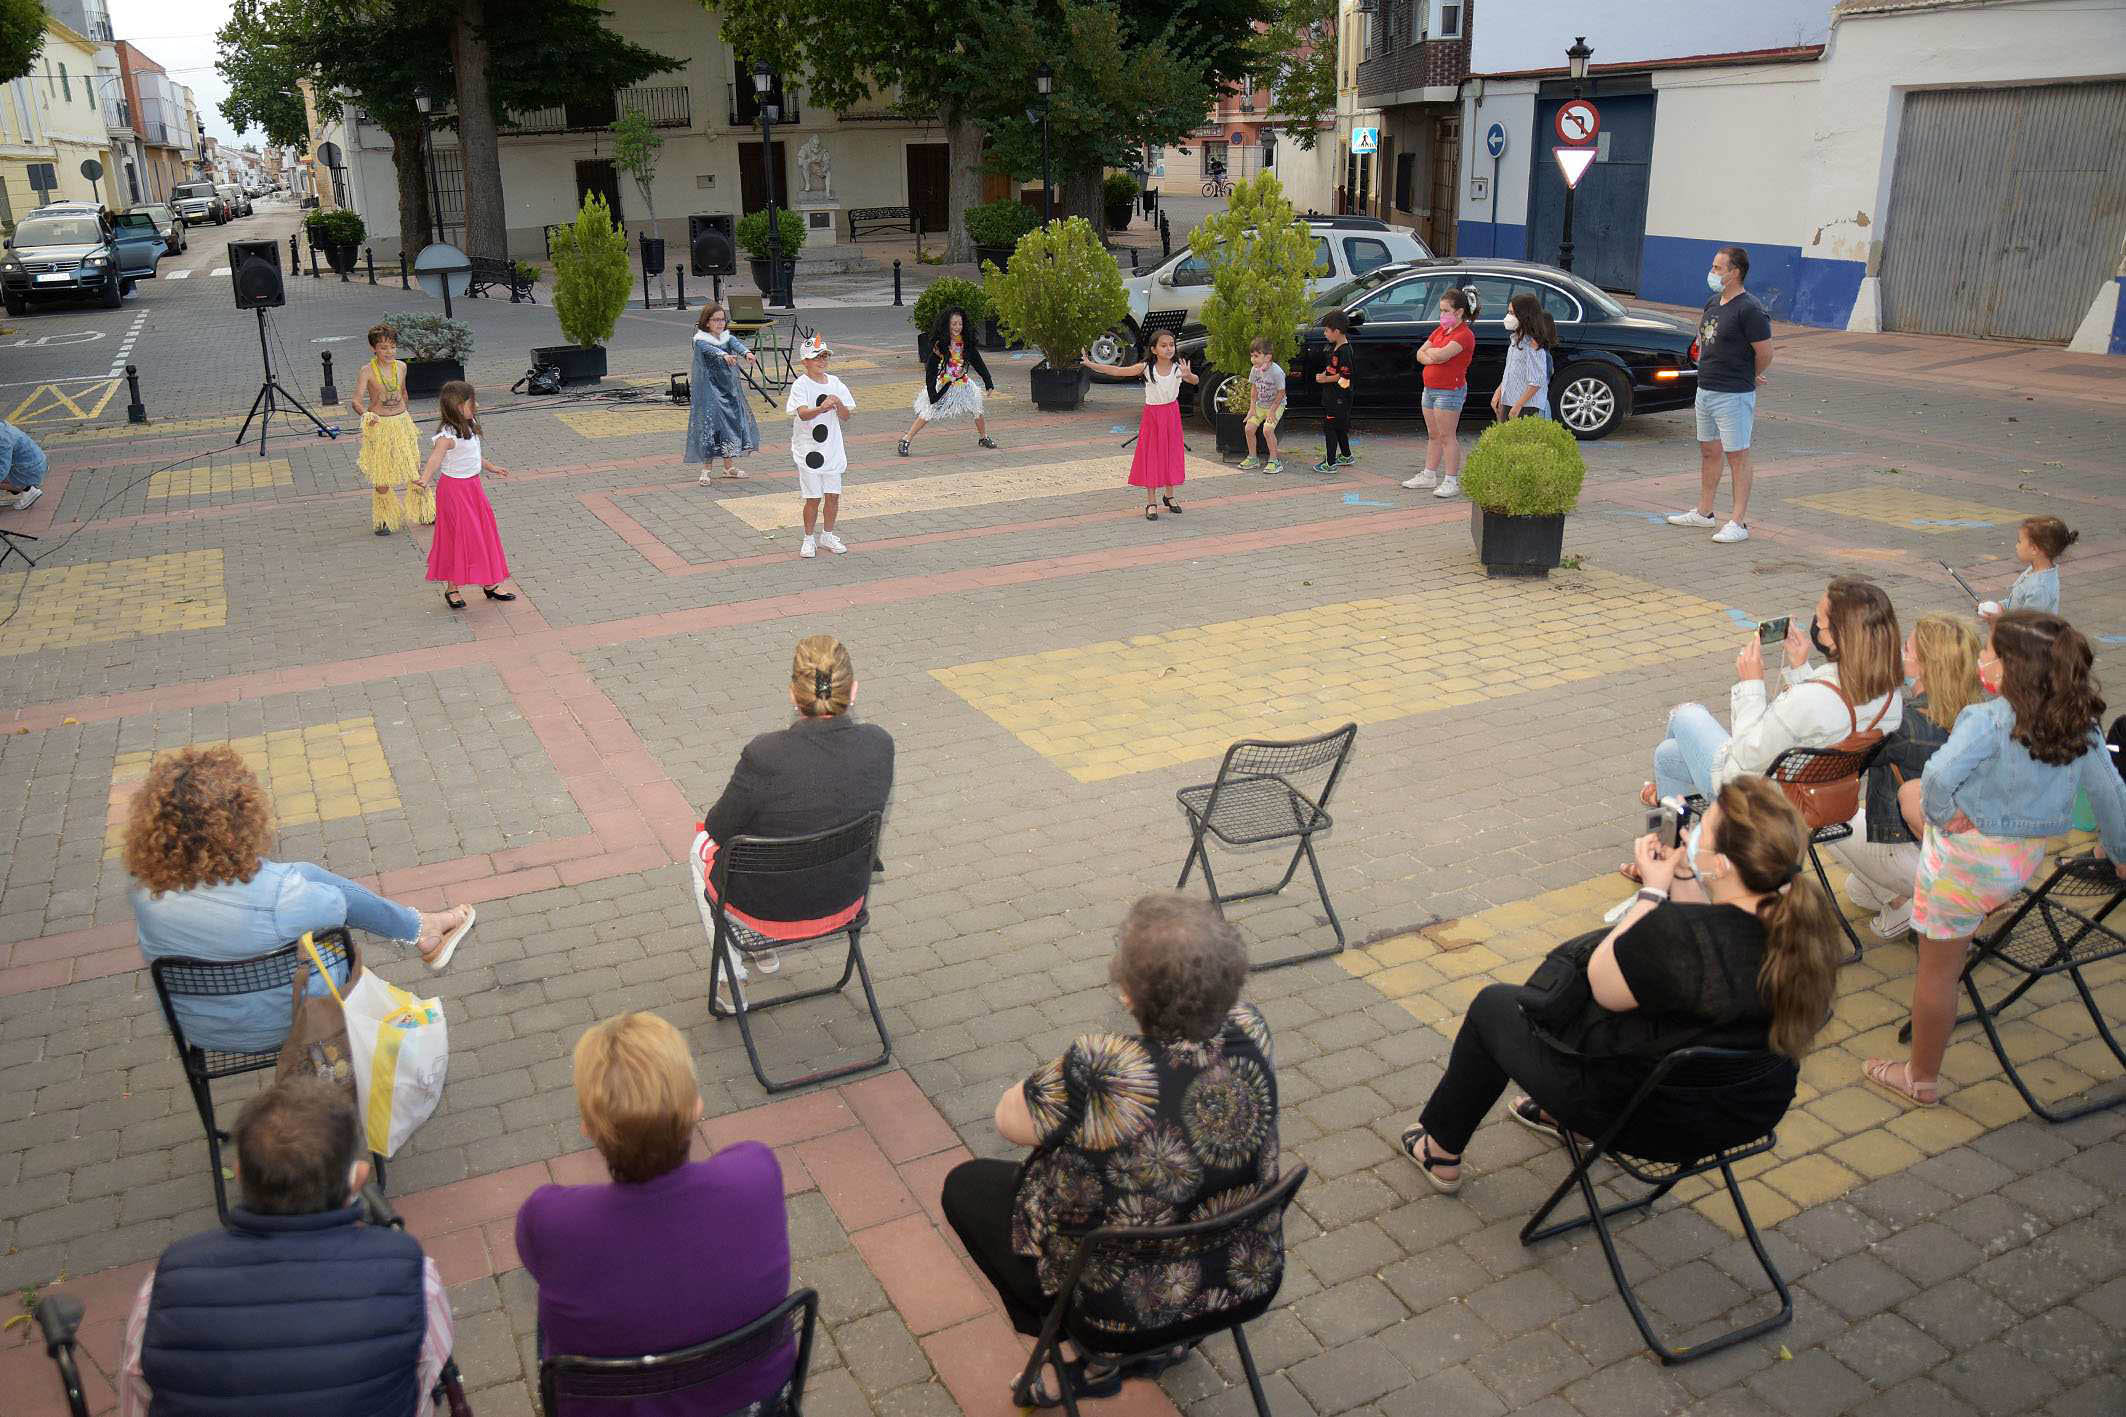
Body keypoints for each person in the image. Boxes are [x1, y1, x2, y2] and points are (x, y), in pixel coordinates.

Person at [1397, 777, 1841, 1192]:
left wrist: (1651, 893)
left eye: (1707, 823)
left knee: (1495, 1005)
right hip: (1743, 1114)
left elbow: (1604, 982)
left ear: (1723, 863)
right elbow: (1706, 943)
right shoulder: (1802, 936)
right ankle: (1559, 1116)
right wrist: (1683, 877)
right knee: (1637, 1013)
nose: (1697, 829)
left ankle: (1440, 1151)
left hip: (1646, 1120)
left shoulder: (1675, 937)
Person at [941, 893, 1280, 1406]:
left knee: (965, 1185)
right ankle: (1172, 1345)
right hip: (1237, 1279)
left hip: (1116, 1308)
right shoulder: (1252, 1030)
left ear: (1128, 996)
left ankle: (1091, 1353)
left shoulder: (1101, 1067)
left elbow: (1008, 1120)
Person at [1865, 611, 2126, 1107]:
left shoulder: (1985, 719)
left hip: (1965, 868)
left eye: (1988, 653)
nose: (1982, 661)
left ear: (2011, 669)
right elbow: (2113, 796)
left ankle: (1919, 1077)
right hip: (2020, 866)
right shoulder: (2080, 724)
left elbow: (1941, 779)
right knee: (1920, 794)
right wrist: (2121, 856)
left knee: (1937, 973)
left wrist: (1942, 815)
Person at [117, 1077, 455, 1417]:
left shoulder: (163, 1292)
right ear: (357, 1177)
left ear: (240, 1173)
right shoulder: (414, 1277)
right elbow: (422, 1391)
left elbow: (138, 1401)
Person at [517, 1013, 794, 1416]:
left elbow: (539, 1264)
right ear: (695, 1106)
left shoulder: (550, 1220)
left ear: (589, 1129)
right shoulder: (756, 1173)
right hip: (751, 1401)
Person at [126, 745, 474, 1054]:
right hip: (295, 1021)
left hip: (199, 1025)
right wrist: (280, 880)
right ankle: (420, 928)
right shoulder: (282, 896)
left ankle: (420, 927)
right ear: (237, 827)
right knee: (330, 928)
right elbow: (337, 906)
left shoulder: (143, 895)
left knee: (301, 873)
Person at [691, 635, 894, 991]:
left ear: (792, 694)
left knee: (699, 847)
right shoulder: (879, 744)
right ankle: (757, 949)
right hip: (843, 899)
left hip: (767, 907)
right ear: (854, 690)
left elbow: (717, 828)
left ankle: (730, 977)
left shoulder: (765, 754)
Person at [1644, 575, 1902, 806]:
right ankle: (1674, 839)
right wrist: (1800, 666)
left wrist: (1751, 685)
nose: (1814, 624)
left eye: (1819, 620)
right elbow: (1832, 712)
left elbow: (1744, 755)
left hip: (1756, 797)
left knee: (1687, 714)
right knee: (1667, 756)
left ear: (1835, 637)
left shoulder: (1807, 699)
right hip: (1816, 789)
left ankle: (1694, 836)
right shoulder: (1892, 697)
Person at [1827, 614, 1983, 939]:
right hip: (1967, 857)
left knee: (1824, 817)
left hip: (1920, 855)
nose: (1900, 652)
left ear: (1926, 666)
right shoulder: (1979, 714)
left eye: (1907, 649)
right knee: (1858, 891)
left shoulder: (1905, 724)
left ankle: (1911, 905)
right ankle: (1904, 897)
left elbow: (1837, 760)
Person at [1666, 245, 1773, 544]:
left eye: (1717, 268)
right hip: (1706, 388)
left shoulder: (1749, 309)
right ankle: (1704, 512)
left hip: (1733, 393)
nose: (1712, 273)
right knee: (1709, 451)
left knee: (1737, 455)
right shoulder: (1714, 302)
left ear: (1734, 272)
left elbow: (1765, 352)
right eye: (1713, 267)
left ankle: (1738, 521)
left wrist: (1749, 374)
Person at [1081, 327, 1196, 520]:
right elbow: (1118, 370)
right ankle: (1151, 502)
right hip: (1153, 416)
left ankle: (1169, 495)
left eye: (1171, 345)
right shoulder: (1146, 368)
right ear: (1153, 349)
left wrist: (1188, 375)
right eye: (1163, 345)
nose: (1169, 349)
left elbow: (1194, 380)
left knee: (1171, 454)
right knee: (1152, 456)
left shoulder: (1178, 368)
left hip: (1171, 415)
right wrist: (1091, 364)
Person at [422, 380, 515, 610]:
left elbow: (474, 456)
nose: (477, 405)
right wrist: (424, 479)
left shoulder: (469, 425)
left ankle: (490, 583)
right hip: (454, 492)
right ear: (457, 405)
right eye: (471, 401)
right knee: (459, 537)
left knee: (482, 534)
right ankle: (452, 588)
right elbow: (435, 458)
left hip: (473, 488)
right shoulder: (447, 435)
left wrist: (491, 467)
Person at [352, 323, 435, 536]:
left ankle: (424, 511)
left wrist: (404, 414)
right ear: (374, 349)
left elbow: (403, 392)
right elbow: (356, 401)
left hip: (401, 424)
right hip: (380, 426)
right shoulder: (367, 371)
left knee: (413, 467)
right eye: (383, 348)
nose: (388, 352)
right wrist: (366, 415)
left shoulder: (402, 367)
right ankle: (384, 518)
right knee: (382, 472)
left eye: (392, 347)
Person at [785, 334, 856, 558]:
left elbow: (846, 416)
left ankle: (827, 535)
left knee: (833, 495)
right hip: (809, 450)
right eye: (816, 357)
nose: (822, 361)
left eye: (824, 356)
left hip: (832, 448)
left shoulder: (835, 383)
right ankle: (808, 538)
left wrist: (839, 403)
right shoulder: (800, 385)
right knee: (813, 497)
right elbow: (803, 414)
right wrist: (823, 407)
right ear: (805, 362)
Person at [1403, 285, 1478, 497]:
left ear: (1459, 312)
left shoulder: (1464, 335)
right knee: (1433, 435)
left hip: (1449, 391)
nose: (1442, 315)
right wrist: (1432, 355)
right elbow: (1421, 354)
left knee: (1447, 436)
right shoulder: (1440, 331)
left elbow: (1442, 355)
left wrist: (1432, 354)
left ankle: (1451, 480)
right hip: (1430, 389)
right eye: (1441, 310)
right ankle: (1429, 474)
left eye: (1446, 311)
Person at [901, 306, 997, 457]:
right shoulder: (941, 345)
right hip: (945, 384)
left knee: (977, 408)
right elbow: (931, 369)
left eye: (959, 324)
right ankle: (906, 439)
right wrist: (932, 391)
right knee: (929, 411)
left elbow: (978, 361)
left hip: (963, 383)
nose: (957, 327)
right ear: (947, 325)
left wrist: (988, 381)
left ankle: (983, 437)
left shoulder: (967, 342)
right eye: (953, 324)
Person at [686, 302, 762, 483]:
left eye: (722, 319)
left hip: (729, 389)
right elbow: (710, 350)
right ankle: (706, 469)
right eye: (716, 320)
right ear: (707, 322)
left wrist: (747, 353)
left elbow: (737, 344)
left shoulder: (727, 337)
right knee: (712, 427)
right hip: (710, 391)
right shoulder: (701, 339)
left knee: (730, 424)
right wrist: (723, 355)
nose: (720, 323)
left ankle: (728, 467)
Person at [1979, 515, 2074, 622]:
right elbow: (2016, 601)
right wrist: (2000, 606)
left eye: (2019, 541)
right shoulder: (2034, 570)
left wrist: (2000, 619)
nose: (2016, 546)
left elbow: (2028, 624)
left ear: (2034, 549)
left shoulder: (2040, 588)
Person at [1491, 291, 1555, 423]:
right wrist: (1499, 392)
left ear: (1524, 316)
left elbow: (1536, 381)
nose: (1508, 317)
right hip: (1509, 400)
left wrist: (1519, 405)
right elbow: (1510, 373)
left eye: (1512, 313)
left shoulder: (1533, 346)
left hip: (1527, 406)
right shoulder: (1515, 341)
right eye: (1508, 312)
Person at [1313, 311, 1355, 473]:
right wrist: (1324, 374)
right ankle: (1346, 455)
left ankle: (1330, 463)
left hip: (1339, 397)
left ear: (1336, 331)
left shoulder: (1344, 351)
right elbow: (1333, 368)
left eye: (1326, 330)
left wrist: (1325, 380)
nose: (1324, 333)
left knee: (1330, 427)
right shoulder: (1336, 347)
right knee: (1340, 426)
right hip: (1333, 396)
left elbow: (1345, 375)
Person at [1237, 337, 1285, 474]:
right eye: (1252, 356)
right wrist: (1252, 408)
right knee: (1249, 429)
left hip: (1275, 405)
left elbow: (1281, 392)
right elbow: (1254, 388)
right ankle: (1253, 458)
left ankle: (1274, 461)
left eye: (1256, 356)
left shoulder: (1277, 372)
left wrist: (1272, 411)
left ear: (1268, 357)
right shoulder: (1255, 370)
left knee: (1268, 430)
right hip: (1260, 405)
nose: (1253, 359)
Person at [0, 419, 48, 511]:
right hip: (33, 464)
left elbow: (2, 469)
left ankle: (28, 489)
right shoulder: (2, 427)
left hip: (29, 471)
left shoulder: (2, 439)